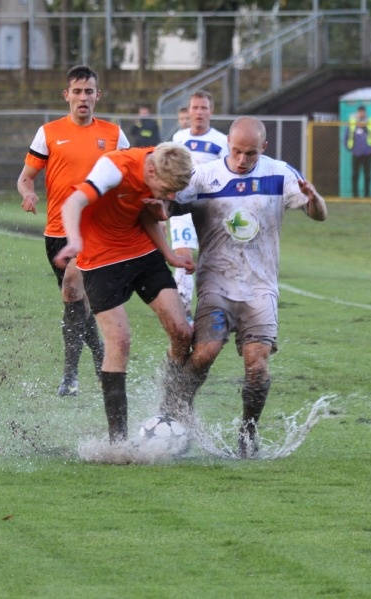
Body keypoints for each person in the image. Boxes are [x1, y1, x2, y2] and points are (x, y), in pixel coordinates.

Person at [162, 116, 328, 458]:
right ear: (228, 145)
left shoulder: (280, 173)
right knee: (205, 353)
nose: (241, 160)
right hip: (217, 284)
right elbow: (171, 205)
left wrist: (314, 200)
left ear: (262, 149)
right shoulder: (205, 177)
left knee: (257, 365)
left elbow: (319, 214)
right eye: (236, 151)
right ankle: (177, 410)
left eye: (250, 154)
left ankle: (248, 431)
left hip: (259, 289)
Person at [53, 142, 195, 444]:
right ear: (152, 171)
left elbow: (144, 210)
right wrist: (75, 241)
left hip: (141, 252)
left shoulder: (163, 158)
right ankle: (118, 442)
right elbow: (73, 204)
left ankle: (168, 408)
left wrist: (169, 255)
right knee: (120, 341)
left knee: (182, 331)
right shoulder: (113, 167)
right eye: (167, 190)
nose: (170, 198)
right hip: (101, 260)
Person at [17, 65, 129, 397]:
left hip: (99, 232)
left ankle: (70, 376)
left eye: (89, 91)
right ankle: (95, 361)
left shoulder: (114, 135)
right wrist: (28, 194)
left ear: (98, 95)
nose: (83, 97)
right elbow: (25, 177)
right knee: (77, 305)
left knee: (78, 298)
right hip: (58, 234)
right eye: (77, 91)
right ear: (66, 95)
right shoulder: (48, 132)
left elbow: (129, 177)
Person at [170, 90, 229, 322]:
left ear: (211, 111)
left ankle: (212, 309)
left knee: (211, 261)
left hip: (209, 209)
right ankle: (183, 311)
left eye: (204, 108)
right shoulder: (178, 138)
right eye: (195, 107)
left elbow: (227, 173)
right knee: (184, 256)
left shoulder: (222, 141)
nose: (199, 112)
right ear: (189, 111)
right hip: (181, 207)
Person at [345, 104, 371, 198]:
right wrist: (348, 147)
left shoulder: (370, 122)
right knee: (355, 175)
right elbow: (346, 135)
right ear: (357, 113)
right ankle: (355, 195)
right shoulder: (352, 123)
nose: (361, 114)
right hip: (356, 153)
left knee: (367, 176)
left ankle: (367, 195)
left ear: (365, 113)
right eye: (359, 112)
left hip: (367, 153)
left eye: (363, 112)